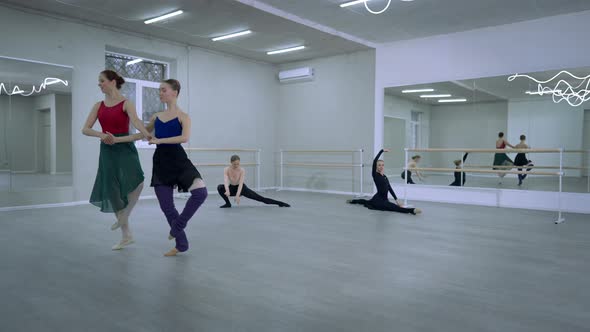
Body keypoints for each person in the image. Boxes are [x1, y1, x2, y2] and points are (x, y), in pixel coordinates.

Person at [82, 70, 151, 250]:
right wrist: (102, 134)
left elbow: (136, 122)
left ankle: (123, 217)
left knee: (138, 181)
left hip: (125, 147)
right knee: (112, 190)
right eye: (99, 81)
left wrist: (146, 133)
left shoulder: (126, 103)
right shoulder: (98, 105)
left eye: (102, 81)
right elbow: (86, 129)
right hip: (107, 148)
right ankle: (126, 235)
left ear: (112, 82)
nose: (99, 84)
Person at [146, 79, 207, 257]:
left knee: (200, 193)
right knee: (167, 207)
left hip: (179, 160)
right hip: (161, 163)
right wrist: (116, 138)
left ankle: (178, 226)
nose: (160, 93)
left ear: (175, 92)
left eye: (163, 90)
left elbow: (184, 138)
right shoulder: (156, 117)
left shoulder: (184, 117)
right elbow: (144, 132)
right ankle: (182, 244)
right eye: (160, 90)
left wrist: (160, 140)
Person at [348, 149, 421, 215]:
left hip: (384, 199)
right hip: (378, 200)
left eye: (382, 165)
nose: (381, 166)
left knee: (366, 201)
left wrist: (397, 200)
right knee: (394, 208)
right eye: (379, 165)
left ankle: (353, 201)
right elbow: (374, 161)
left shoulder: (385, 176)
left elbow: (389, 188)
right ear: (376, 167)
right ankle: (412, 211)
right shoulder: (375, 175)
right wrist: (381, 151)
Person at [217, 155, 290, 208]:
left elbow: (241, 183)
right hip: (231, 188)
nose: (236, 165)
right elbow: (226, 181)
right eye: (234, 164)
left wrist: (237, 195)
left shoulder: (241, 170)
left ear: (239, 162)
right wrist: (227, 190)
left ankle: (280, 203)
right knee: (220, 187)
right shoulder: (226, 169)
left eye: (238, 164)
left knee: (261, 198)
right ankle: (228, 204)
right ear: (231, 162)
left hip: (242, 188)